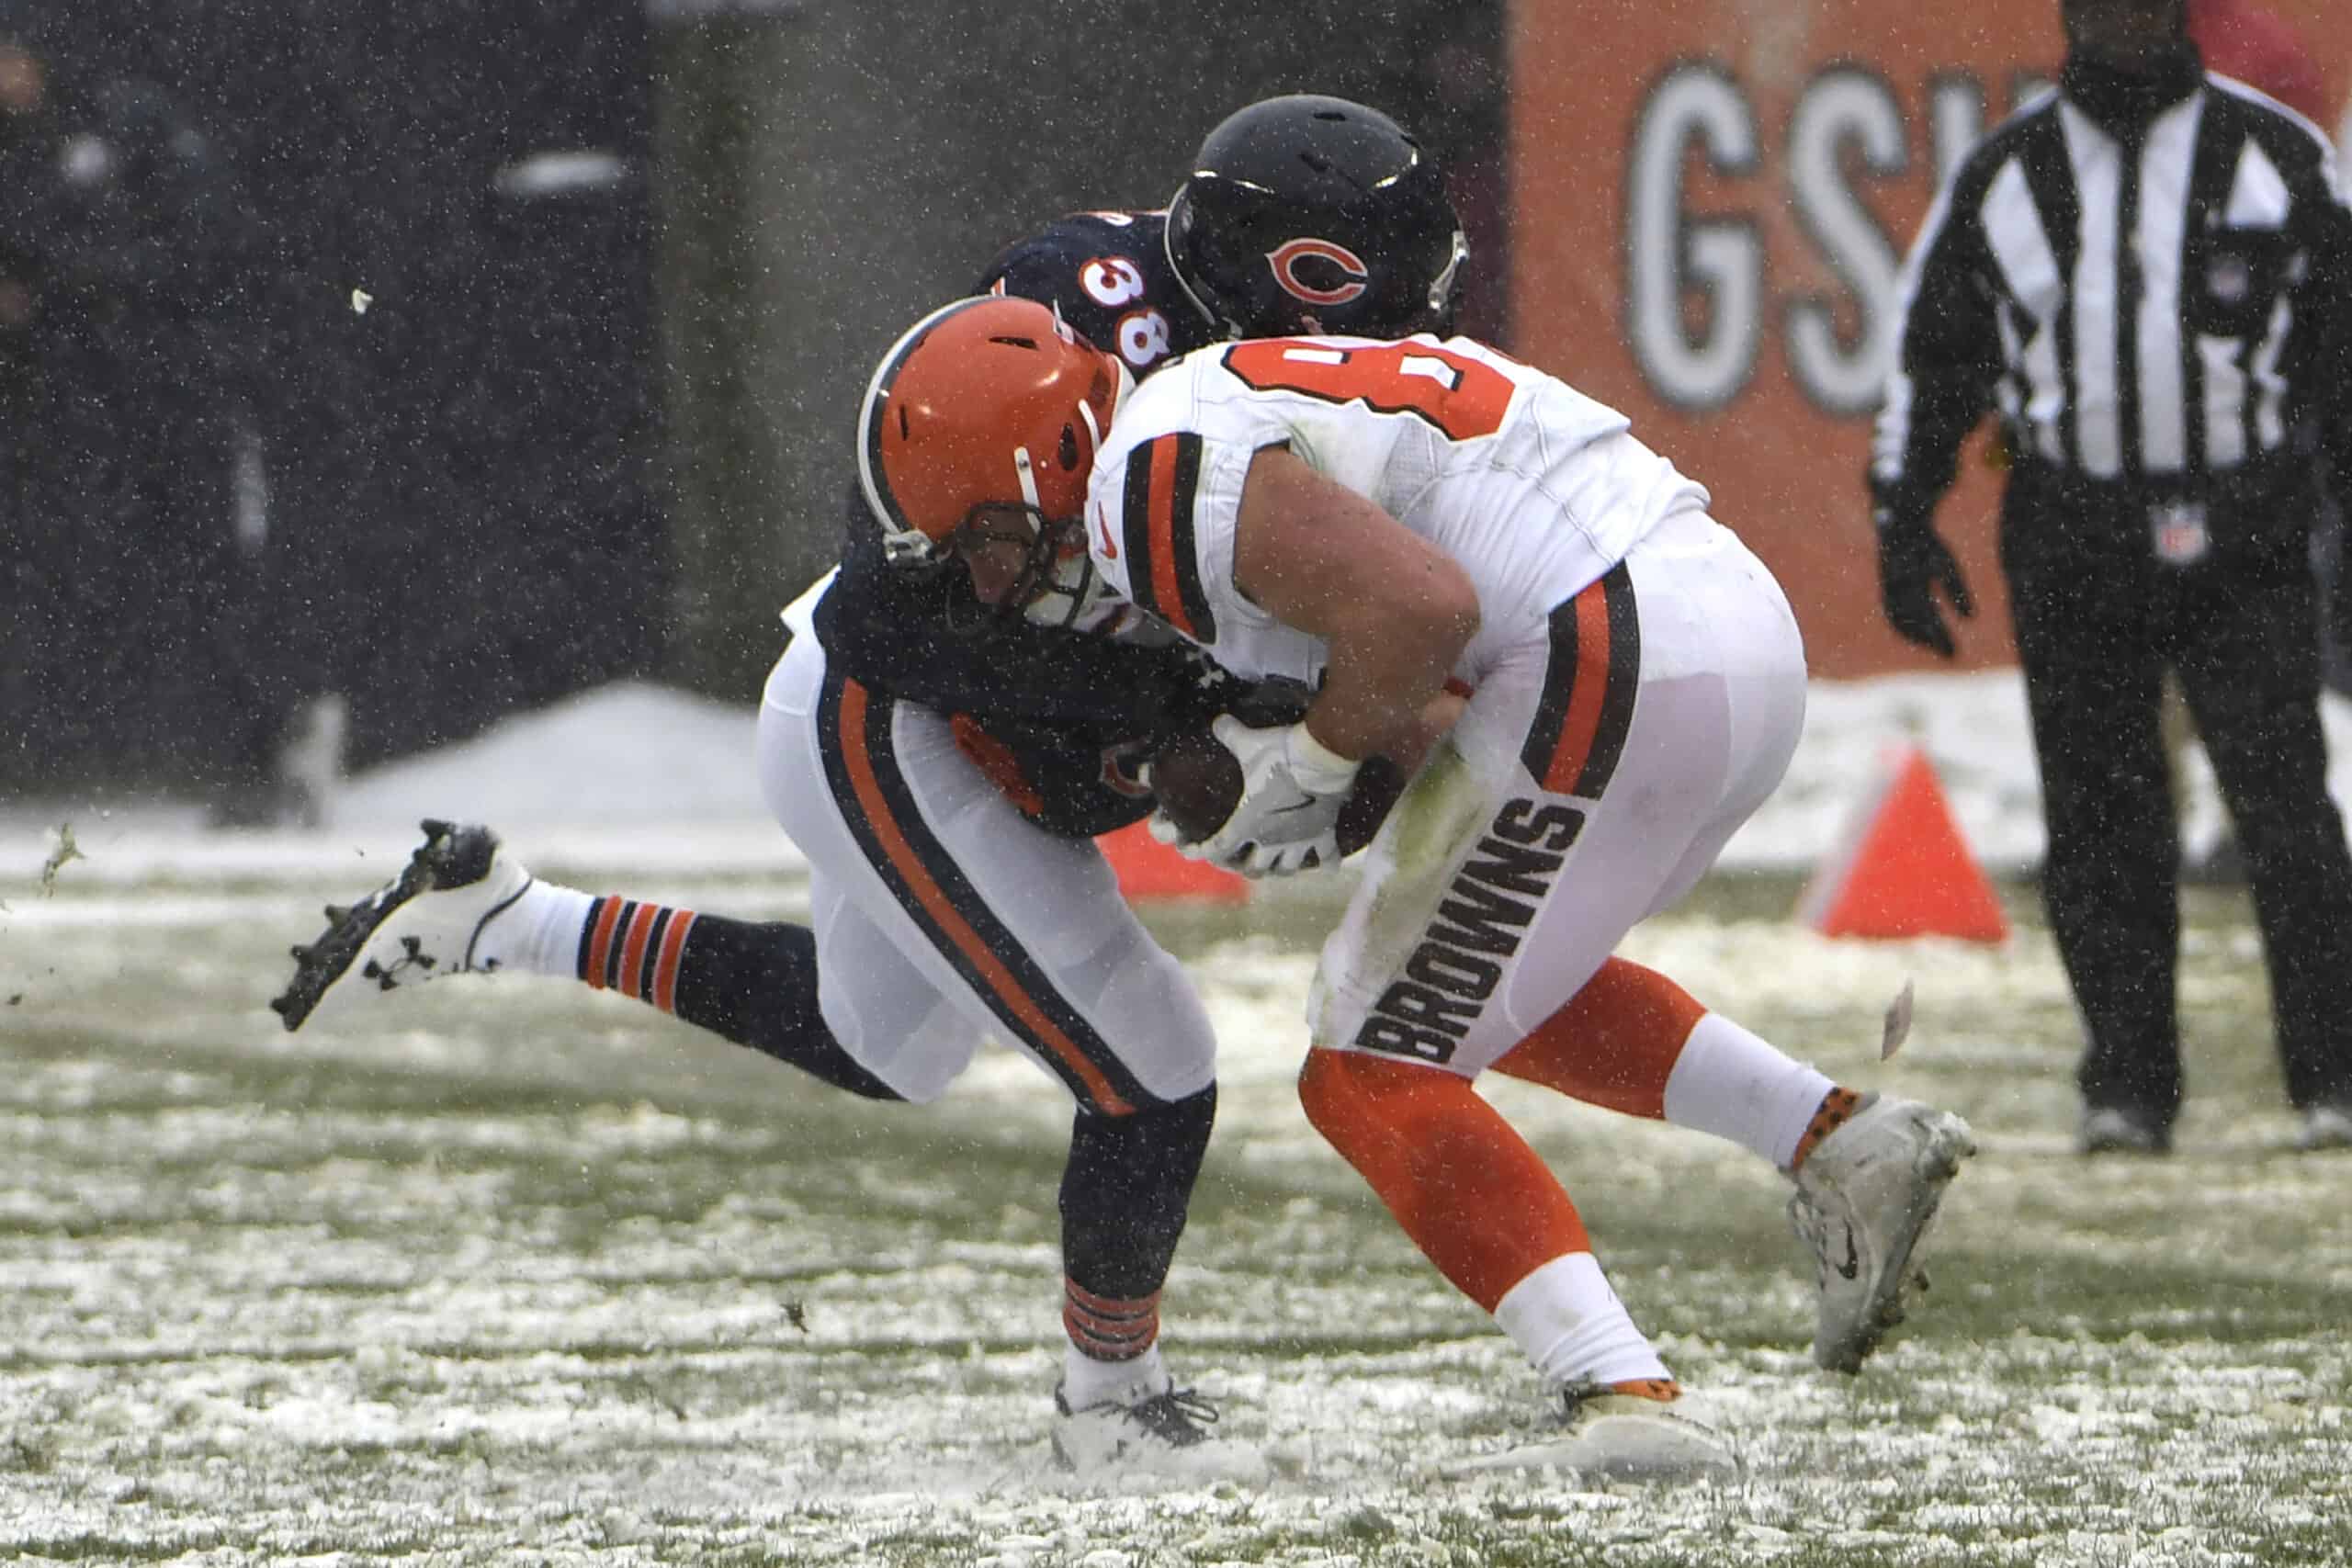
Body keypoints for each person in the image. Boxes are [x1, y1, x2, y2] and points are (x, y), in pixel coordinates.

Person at [275, 95, 1458, 1483]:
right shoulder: (1073, 323)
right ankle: (1110, 1402)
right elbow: (892, 620)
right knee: (1153, 1064)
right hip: (891, 716)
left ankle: (508, 916)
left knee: (882, 1043)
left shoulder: (1309, 375)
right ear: (1285, 275)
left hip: (988, 720)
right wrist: (1173, 717)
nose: (1405, 346)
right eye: (1375, 307)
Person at [864, 274, 1979, 1474]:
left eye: (983, 534)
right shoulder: (1195, 427)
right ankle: (1833, 1136)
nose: (987, 580)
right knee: (1466, 982)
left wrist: (1310, 757)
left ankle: (1623, 1391)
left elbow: (1423, 608)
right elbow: (1430, 673)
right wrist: (1331, 770)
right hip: (1713, 641)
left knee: (1368, 1067)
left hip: (1619, 640)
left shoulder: (1149, 481)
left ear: (1052, 455)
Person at [1871, 0, 2352, 1155]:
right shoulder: (2007, 170)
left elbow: (2340, 347)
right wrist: (1902, 512)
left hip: (2244, 521)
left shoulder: (2277, 156)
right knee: (2100, 817)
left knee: (2283, 805)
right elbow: (1935, 348)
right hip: (2074, 522)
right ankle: (2127, 1088)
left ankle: (2332, 1078)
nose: (2125, 22)